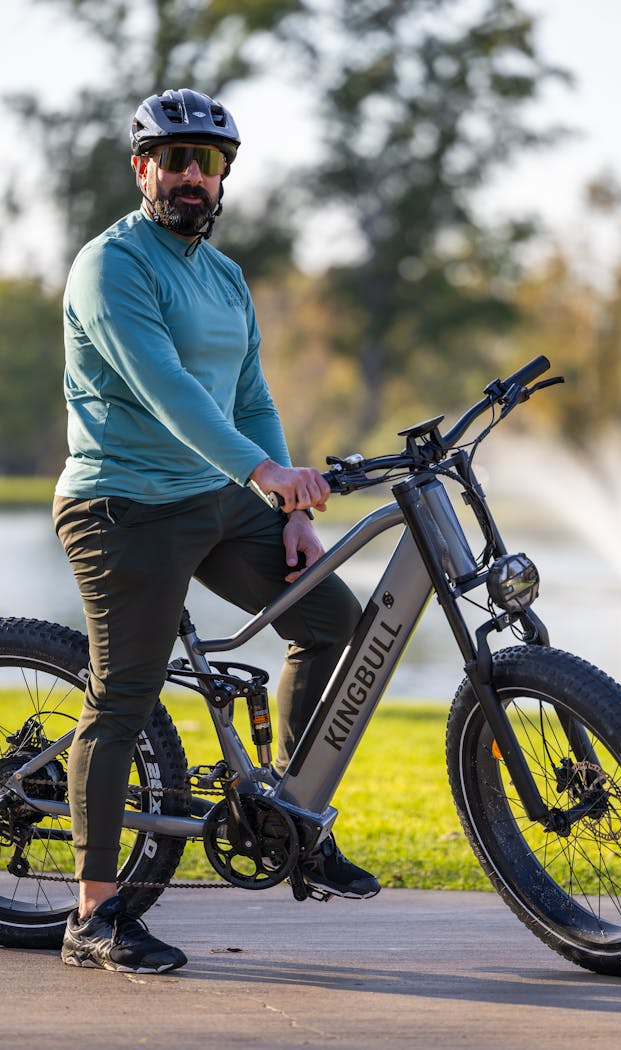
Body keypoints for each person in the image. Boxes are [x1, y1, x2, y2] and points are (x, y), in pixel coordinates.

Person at [53, 87, 378, 974]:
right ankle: (94, 913)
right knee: (124, 695)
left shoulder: (225, 276)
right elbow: (169, 391)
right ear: (142, 170)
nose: (193, 175)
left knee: (327, 619)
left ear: (225, 175)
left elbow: (249, 396)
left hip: (217, 495)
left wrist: (287, 507)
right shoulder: (111, 266)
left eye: (210, 161)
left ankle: (293, 819)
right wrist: (264, 473)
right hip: (122, 504)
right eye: (176, 159)